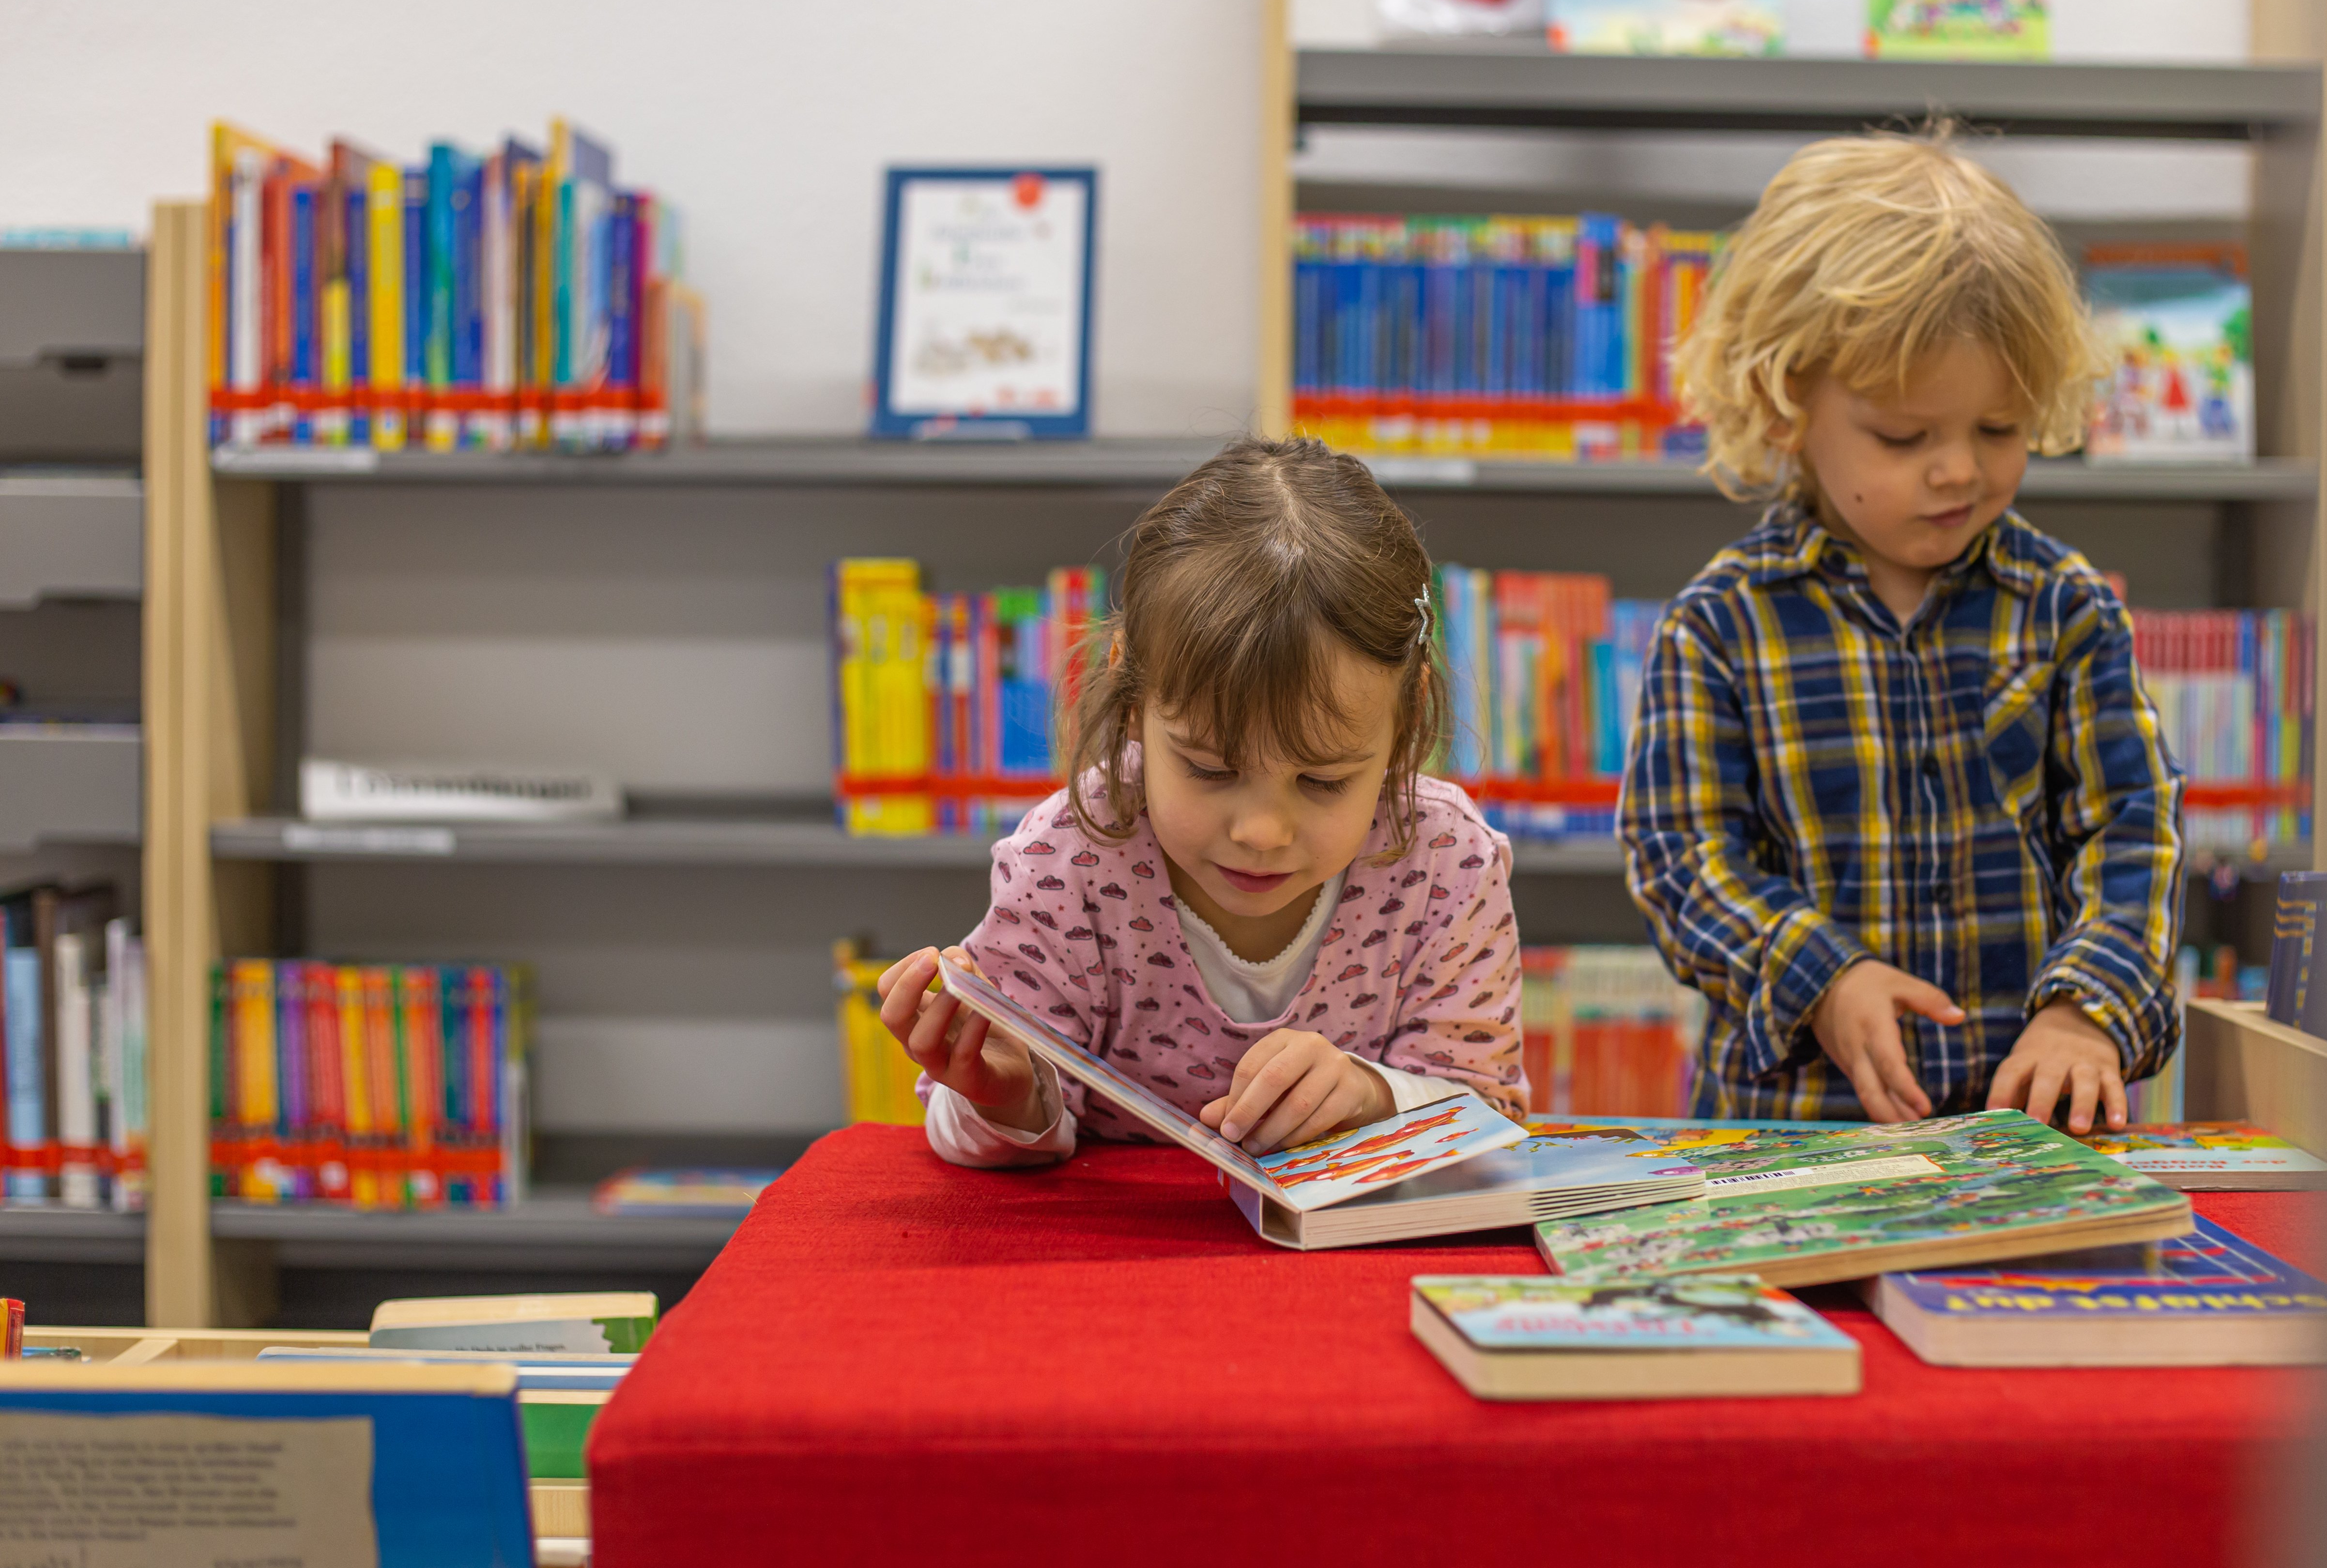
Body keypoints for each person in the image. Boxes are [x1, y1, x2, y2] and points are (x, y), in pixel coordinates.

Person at [1623, 131, 2184, 1135]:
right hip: (1790, 1135)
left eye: (1999, 429)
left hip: (2030, 1138)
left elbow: (2131, 828)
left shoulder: (2067, 608)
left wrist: (2085, 1009)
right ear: (1785, 404)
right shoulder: (1720, 623)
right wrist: (1822, 978)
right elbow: (1681, 853)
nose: (1959, 469)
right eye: (1904, 436)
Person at [877, 437, 1528, 1167]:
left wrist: (1374, 1097)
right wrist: (1003, 1097)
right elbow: (986, 1121)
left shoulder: (1447, 862)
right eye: (1210, 769)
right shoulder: (1068, 860)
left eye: (1323, 781)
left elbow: (1491, 1115)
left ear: (1404, 718)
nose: (1262, 831)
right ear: (1132, 698)